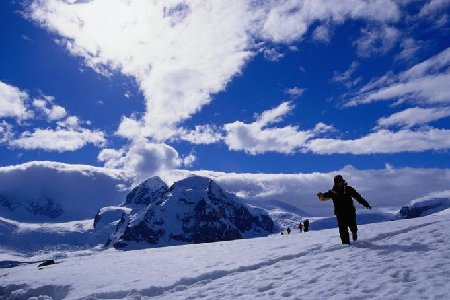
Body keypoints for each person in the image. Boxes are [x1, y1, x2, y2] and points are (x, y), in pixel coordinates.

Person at [317, 175, 371, 244]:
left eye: (340, 181)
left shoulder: (348, 189)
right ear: (335, 183)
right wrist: (320, 195)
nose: (339, 183)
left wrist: (366, 204)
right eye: (337, 182)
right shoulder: (333, 192)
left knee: (352, 226)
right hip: (339, 213)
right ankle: (346, 246)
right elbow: (323, 197)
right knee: (342, 230)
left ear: (343, 181)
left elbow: (358, 197)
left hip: (350, 211)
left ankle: (354, 232)